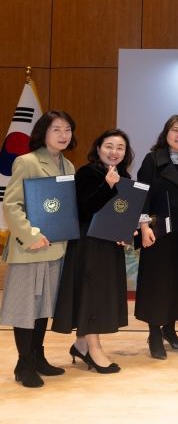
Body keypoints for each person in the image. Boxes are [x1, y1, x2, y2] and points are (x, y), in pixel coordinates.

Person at [1, 110, 76, 387]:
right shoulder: (27, 161)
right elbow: (11, 205)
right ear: (43, 132)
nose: (63, 135)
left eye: (67, 129)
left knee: (43, 306)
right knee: (26, 308)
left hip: (56, 248)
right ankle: (23, 364)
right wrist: (30, 235)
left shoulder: (69, 166)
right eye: (56, 129)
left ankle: (37, 356)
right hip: (30, 249)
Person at [52, 129, 134, 374]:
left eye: (120, 147)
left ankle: (81, 345)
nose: (114, 152)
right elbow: (84, 208)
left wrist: (125, 232)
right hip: (89, 244)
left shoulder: (125, 176)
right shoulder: (87, 173)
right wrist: (108, 186)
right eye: (109, 146)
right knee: (92, 294)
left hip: (109, 244)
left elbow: (123, 211)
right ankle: (94, 349)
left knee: (101, 293)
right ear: (98, 149)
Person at [135, 114, 178, 360]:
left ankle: (170, 330)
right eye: (175, 130)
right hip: (158, 232)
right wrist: (144, 226)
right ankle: (154, 333)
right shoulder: (153, 159)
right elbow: (141, 195)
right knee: (157, 284)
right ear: (166, 133)